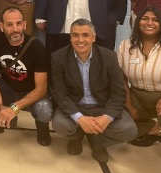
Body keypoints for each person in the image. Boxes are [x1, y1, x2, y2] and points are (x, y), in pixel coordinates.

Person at [51, 19, 137, 163]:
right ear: (70, 37)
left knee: (129, 130)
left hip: (102, 106)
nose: (80, 40)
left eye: (85, 35)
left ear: (94, 37)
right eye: (75, 35)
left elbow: (118, 93)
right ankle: (77, 137)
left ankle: (99, 141)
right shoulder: (58, 57)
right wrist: (80, 118)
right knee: (60, 125)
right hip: (75, 105)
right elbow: (59, 93)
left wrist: (107, 117)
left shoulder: (109, 57)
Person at [0, 7, 53, 146]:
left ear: (25, 25)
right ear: (1, 27)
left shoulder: (36, 47)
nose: (15, 29)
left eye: (19, 23)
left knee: (44, 109)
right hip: (6, 88)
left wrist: (14, 108)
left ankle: (42, 128)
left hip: (29, 93)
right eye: (9, 24)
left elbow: (41, 89)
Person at [117, 7, 161, 160]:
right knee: (117, 119)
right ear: (137, 22)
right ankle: (151, 128)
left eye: (155, 20)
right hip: (137, 96)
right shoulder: (125, 46)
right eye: (145, 18)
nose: (149, 23)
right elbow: (121, 79)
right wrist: (129, 106)